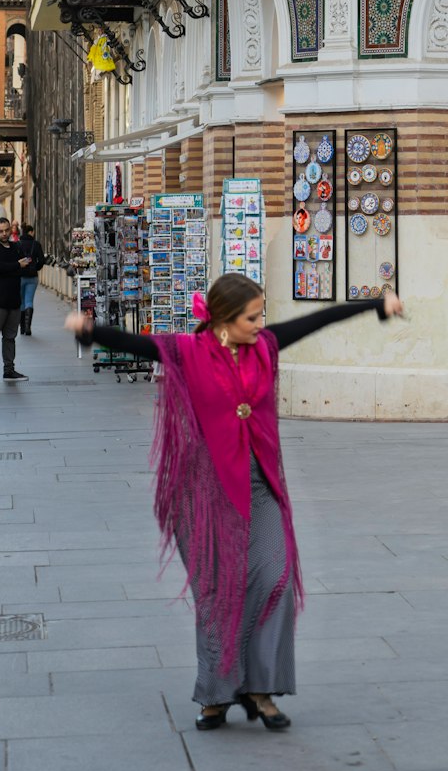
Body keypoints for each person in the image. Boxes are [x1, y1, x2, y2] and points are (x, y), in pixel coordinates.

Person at [63, 276, 405, 733]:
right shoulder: (187, 351)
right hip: (204, 492)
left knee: (275, 578)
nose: (261, 324)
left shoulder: (265, 345)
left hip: (261, 485)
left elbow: (319, 318)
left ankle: (259, 687)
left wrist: (375, 304)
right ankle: (217, 694)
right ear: (224, 320)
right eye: (252, 316)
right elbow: (133, 343)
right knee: (218, 595)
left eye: (263, 314)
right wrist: (88, 330)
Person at [0, 217, 33, 382]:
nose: (3, 234)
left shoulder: (17, 247)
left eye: (6, 230)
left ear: (11, 230)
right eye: (0, 231)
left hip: (13, 301)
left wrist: (14, 267)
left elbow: (28, 265)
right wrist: (17, 266)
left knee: (10, 337)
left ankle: (9, 371)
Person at [16, 224, 45, 335]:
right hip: (32, 277)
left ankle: (22, 328)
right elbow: (42, 260)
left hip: (19, 276)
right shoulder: (36, 244)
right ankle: (28, 327)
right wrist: (35, 268)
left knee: (21, 301)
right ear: (31, 232)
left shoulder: (17, 244)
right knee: (29, 301)